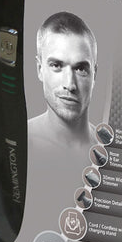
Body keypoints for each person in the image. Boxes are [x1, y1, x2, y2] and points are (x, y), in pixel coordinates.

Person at [28, 12, 98, 158]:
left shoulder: (112, 151)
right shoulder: (19, 142)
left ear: (94, 75)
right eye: (56, 65)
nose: (69, 84)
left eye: (80, 69)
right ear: (39, 69)